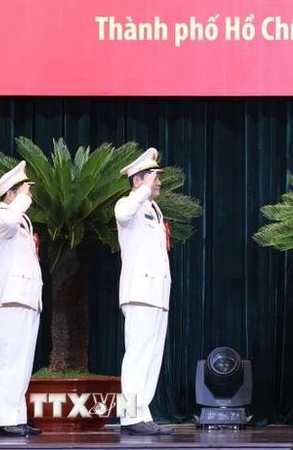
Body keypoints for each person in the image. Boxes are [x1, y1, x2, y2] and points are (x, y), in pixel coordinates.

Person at [115, 148, 174, 436]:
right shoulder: (128, 204)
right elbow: (124, 212)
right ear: (138, 180)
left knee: (151, 357)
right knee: (137, 355)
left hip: (156, 294)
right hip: (139, 291)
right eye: (154, 177)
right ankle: (129, 416)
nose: (159, 182)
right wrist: (141, 189)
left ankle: (142, 414)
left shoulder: (152, 208)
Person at [0, 161, 43, 437]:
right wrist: (20, 200)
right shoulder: (1, 217)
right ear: (11, 194)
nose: (28, 196)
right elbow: (9, 220)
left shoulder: (19, 219)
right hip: (11, 299)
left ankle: (16, 416)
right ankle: (3, 418)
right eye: (23, 190)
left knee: (22, 363)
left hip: (27, 300)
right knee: (10, 360)